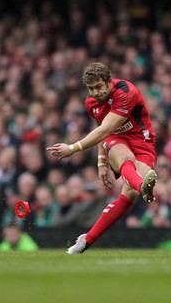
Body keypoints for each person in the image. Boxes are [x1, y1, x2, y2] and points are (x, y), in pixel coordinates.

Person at [47, 62, 157, 253]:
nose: (95, 92)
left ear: (109, 82)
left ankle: (86, 240)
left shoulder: (125, 92)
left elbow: (105, 128)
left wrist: (72, 148)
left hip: (143, 143)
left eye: (98, 87)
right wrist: (101, 163)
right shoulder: (91, 103)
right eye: (91, 89)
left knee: (128, 196)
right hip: (117, 140)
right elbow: (103, 130)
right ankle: (142, 185)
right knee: (125, 160)